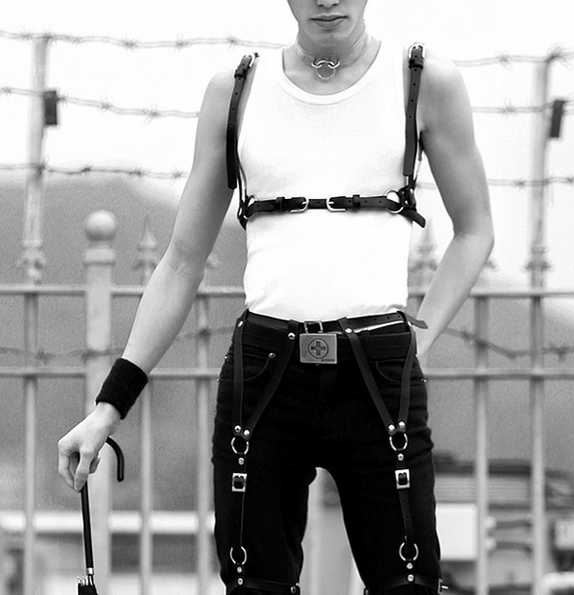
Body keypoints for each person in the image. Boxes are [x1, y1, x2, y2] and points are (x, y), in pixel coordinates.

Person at [58, 0, 494, 593]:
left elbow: (475, 230)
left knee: (408, 582)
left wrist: (418, 338)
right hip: (265, 375)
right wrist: (108, 409)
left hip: (380, 372)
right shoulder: (236, 90)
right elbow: (181, 261)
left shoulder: (423, 80)